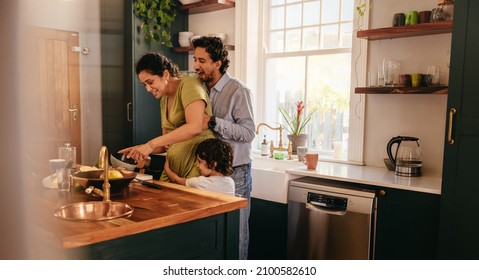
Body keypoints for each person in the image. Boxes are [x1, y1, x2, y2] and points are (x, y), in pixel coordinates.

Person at [192, 36, 256, 260]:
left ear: (217, 63)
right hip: (208, 170)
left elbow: (249, 133)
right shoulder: (198, 88)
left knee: (236, 235)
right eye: (195, 59)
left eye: (202, 60)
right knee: (212, 234)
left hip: (236, 173)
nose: (196, 65)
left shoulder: (238, 91)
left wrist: (213, 121)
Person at [119, 53, 215, 182]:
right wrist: (140, 149)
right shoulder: (164, 98)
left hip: (195, 166)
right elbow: (165, 144)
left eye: (150, 82)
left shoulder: (190, 85)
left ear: (165, 74)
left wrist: (151, 144)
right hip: (172, 168)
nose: (148, 89)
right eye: (144, 85)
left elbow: (195, 127)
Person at [164, 138, 235, 196]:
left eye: (200, 161)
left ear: (213, 164)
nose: (197, 165)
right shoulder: (230, 182)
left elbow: (176, 180)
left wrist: (167, 169)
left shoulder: (200, 182)